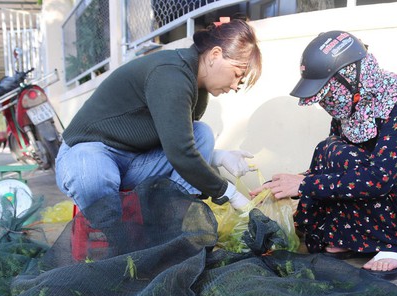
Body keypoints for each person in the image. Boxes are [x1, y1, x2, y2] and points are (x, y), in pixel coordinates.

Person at [252, 30, 397, 280]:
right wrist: (287, 183)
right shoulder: (352, 107)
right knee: (328, 150)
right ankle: (348, 237)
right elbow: (337, 167)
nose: (326, 103)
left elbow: (378, 178)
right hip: (389, 187)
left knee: (345, 162)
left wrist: (305, 184)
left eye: (328, 94)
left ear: (351, 78)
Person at [55, 17, 261, 233]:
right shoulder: (170, 73)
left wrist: (216, 155)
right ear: (215, 55)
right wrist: (232, 194)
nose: (235, 85)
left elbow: (177, 141)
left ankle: (173, 222)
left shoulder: (198, 89)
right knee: (92, 166)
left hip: (133, 161)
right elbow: (180, 153)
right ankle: (115, 238)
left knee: (202, 133)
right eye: (237, 74)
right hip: (87, 156)